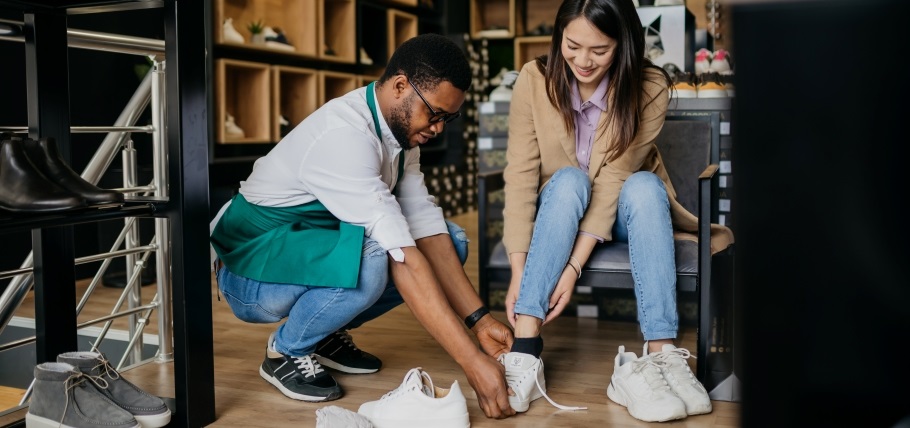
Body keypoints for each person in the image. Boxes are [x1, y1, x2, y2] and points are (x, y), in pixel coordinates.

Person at [209, 33, 516, 420]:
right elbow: (400, 254)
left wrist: (480, 321)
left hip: (299, 253)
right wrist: (472, 362)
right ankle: (286, 351)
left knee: (451, 242)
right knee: (375, 257)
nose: (439, 128)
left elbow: (424, 227)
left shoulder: (402, 139)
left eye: (448, 119)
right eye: (435, 114)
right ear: (401, 85)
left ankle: (322, 334)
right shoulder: (345, 136)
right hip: (247, 275)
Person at [501, 0, 732, 422]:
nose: (583, 61)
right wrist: (519, 272)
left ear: (624, 44)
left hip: (628, 212)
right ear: (559, 37)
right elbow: (520, 174)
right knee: (569, 179)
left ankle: (663, 354)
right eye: (572, 45)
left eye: (600, 50)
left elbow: (612, 183)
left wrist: (571, 270)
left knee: (643, 184)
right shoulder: (534, 80)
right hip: (561, 210)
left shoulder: (650, 87)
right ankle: (526, 347)